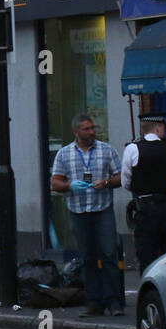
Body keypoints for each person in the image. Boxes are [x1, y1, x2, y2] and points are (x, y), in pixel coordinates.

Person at [50, 113, 125, 317]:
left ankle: (114, 302)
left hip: (102, 209)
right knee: (87, 258)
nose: (92, 132)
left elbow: (122, 176)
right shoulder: (64, 154)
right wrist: (69, 185)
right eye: (87, 129)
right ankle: (94, 302)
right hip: (78, 210)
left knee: (109, 254)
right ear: (77, 132)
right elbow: (55, 182)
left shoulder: (106, 150)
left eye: (93, 128)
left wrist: (107, 182)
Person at [122, 111, 166, 271]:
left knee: (146, 256)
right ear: (159, 128)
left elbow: (126, 182)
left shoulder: (132, 149)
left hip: (145, 209)